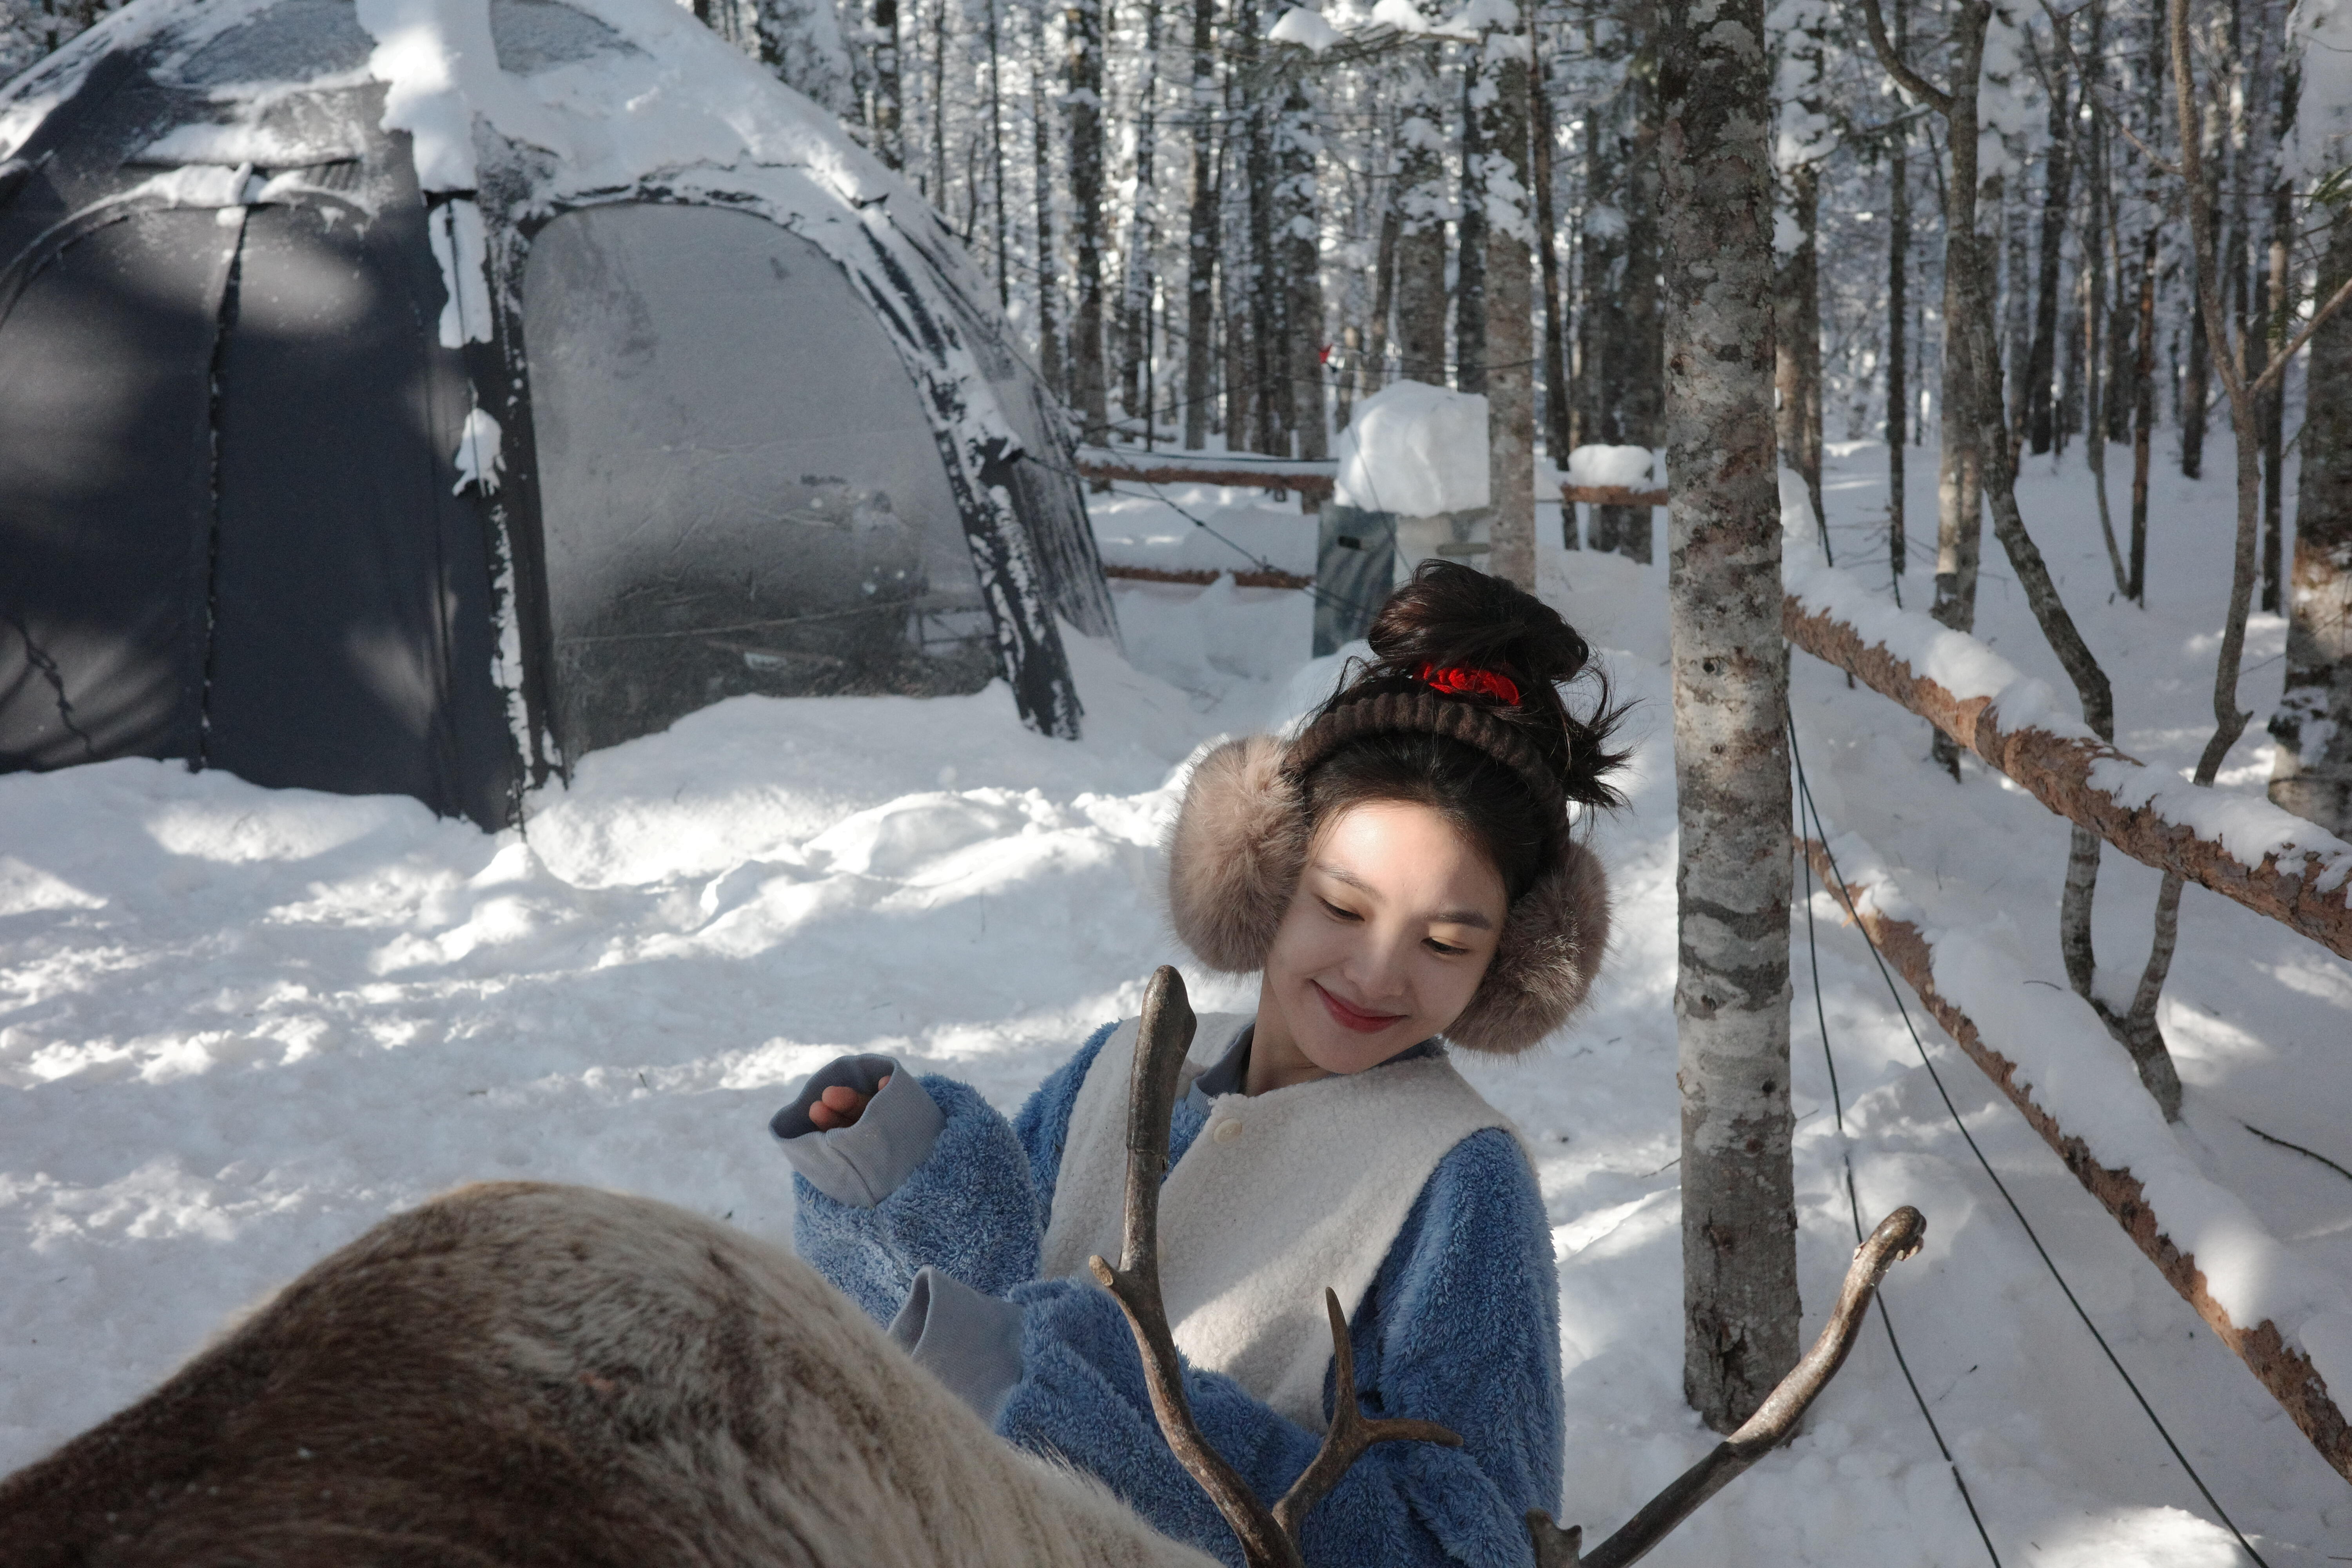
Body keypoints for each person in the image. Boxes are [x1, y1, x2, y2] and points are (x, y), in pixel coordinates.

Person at [770, 561, 1627, 1566]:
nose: (1377, 970)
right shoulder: (1130, 1065)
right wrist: (901, 1186)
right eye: (1343, 907)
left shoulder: (1455, 1179)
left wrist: (1113, 1401)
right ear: (1263, 873)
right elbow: (986, 1323)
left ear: (1506, 965)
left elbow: (1471, 1541)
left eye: (1445, 943)